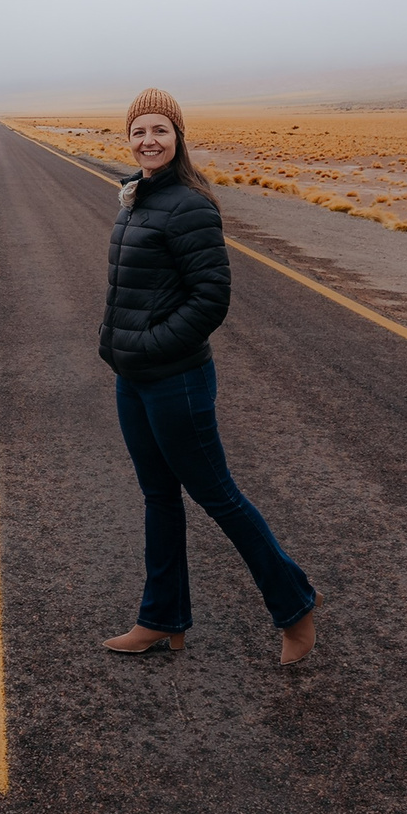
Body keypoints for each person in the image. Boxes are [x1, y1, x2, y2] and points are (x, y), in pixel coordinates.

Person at [99, 88, 319, 665]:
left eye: (160, 130)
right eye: (139, 130)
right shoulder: (137, 197)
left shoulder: (190, 204)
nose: (148, 140)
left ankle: (295, 608)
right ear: (128, 138)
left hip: (176, 380)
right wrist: (116, 346)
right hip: (134, 377)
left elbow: (210, 299)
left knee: (217, 496)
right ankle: (161, 618)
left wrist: (148, 345)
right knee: (158, 499)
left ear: (178, 138)